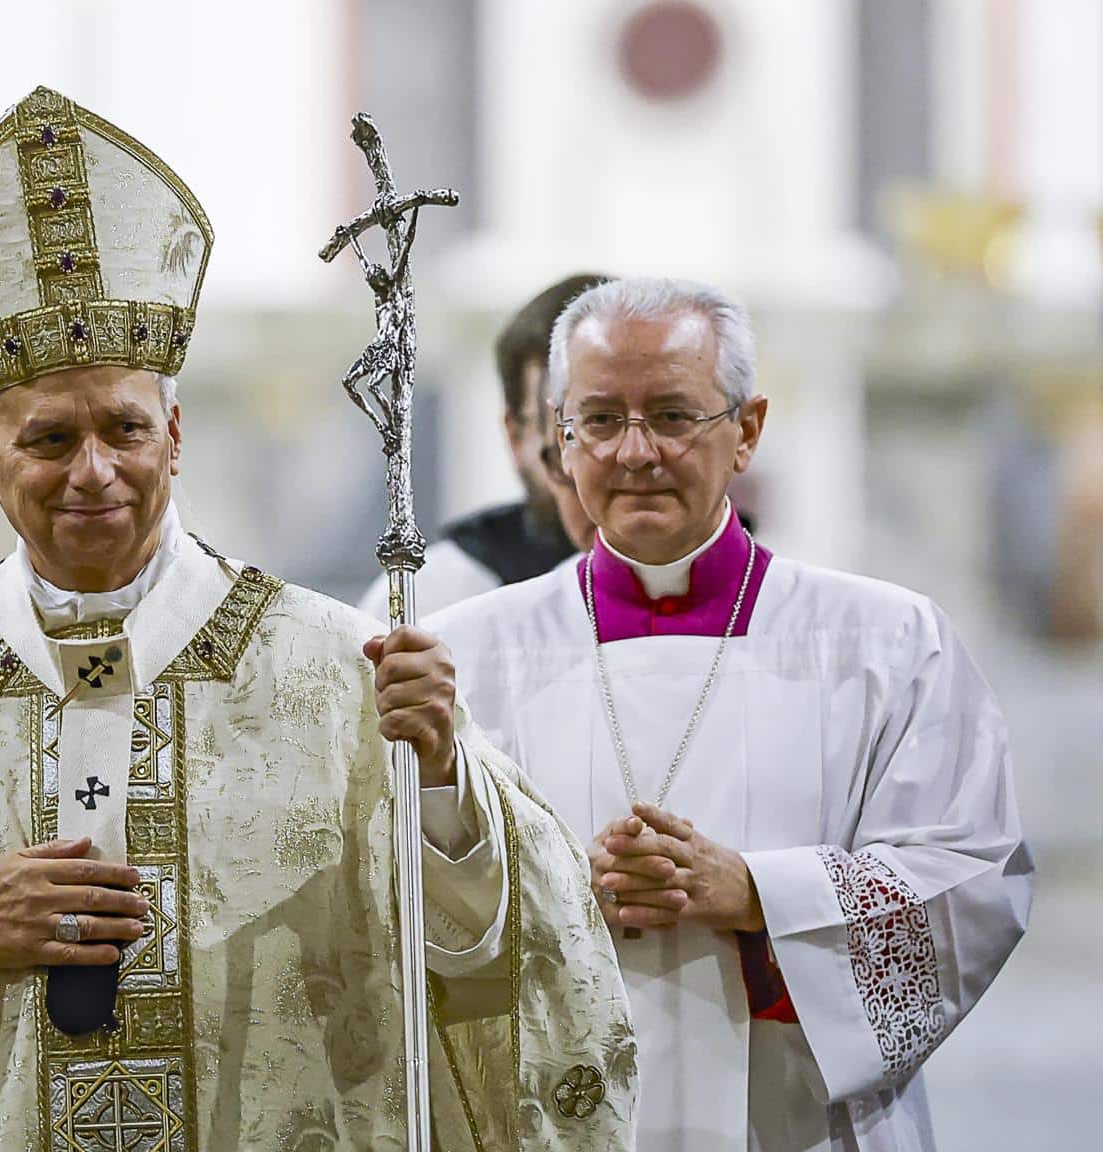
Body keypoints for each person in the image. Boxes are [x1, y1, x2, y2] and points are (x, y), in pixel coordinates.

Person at [0, 86, 635, 1150]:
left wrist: (447, 776)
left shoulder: (337, 665)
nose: (93, 470)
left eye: (124, 429)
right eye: (49, 438)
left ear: (174, 436)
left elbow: (518, 946)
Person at [428, 277, 1032, 1150]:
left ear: (746, 429)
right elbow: (398, 907)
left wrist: (757, 895)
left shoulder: (886, 641)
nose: (635, 450)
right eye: (599, 420)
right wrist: (558, 894)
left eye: (673, 415)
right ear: (561, 437)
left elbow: (974, 879)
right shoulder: (465, 655)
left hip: (797, 1120)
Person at [358, 274, 604, 619]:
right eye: (564, 429)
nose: (593, 461)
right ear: (516, 435)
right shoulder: (433, 599)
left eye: (606, 423)